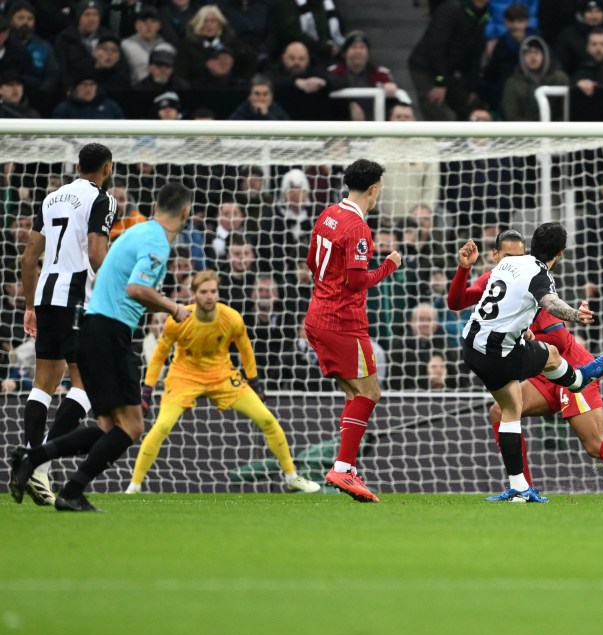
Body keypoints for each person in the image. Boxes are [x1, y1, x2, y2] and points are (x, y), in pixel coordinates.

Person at [449, 232, 603, 500]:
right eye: (507, 256)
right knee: (501, 411)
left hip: (569, 364)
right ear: (496, 257)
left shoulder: (533, 284)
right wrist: (463, 269)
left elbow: (558, 339)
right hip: (544, 372)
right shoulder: (496, 276)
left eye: (519, 255)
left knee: (594, 444)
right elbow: (456, 302)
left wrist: (528, 333)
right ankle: (523, 490)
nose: (512, 261)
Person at [8, 182, 195, 512]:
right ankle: (71, 489)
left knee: (109, 427)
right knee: (132, 426)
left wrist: (160, 304)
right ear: (186, 212)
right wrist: (174, 307)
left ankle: (34, 457)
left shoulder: (138, 232)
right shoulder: (157, 242)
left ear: (154, 205)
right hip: (110, 333)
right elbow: (137, 289)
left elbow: (128, 288)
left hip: (94, 328)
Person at [126, 271, 320, 494]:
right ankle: (134, 485)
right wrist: (147, 392)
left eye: (213, 291)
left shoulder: (231, 318)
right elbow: (160, 355)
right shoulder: (178, 320)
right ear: (195, 295)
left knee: (267, 419)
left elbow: (245, 349)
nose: (209, 296)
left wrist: (255, 384)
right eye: (204, 292)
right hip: (184, 377)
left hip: (222, 376)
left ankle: (291, 477)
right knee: (161, 426)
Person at [460, 222, 603, 502]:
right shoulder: (540, 275)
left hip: (471, 346)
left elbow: (503, 304)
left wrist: (521, 328)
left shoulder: (506, 265)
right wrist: (577, 316)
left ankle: (519, 489)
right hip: (499, 355)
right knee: (550, 354)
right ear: (560, 253)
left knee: (510, 409)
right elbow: (550, 303)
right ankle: (577, 380)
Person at [14, 143, 117, 506]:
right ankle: (37, 464)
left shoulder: (52, 198)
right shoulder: (102, 199)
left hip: (45, 294)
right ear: (108, 168)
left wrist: (29, 306)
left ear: (77, 165)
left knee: (44, 382)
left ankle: (30, 455)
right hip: (77, 295)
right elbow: (95, 253)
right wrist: (116, 290)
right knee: (85, 383)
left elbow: (28, 258)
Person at [303, 159, 400, 503]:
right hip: (343, 322)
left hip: (316, 316)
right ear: (374, 189)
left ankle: (346, 467)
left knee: (354, 394)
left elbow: (312, 263)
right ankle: (343, 468)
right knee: (370, 393)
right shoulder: (358, 228)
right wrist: (388, 266)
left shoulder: (327, 213)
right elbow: (358, 281)